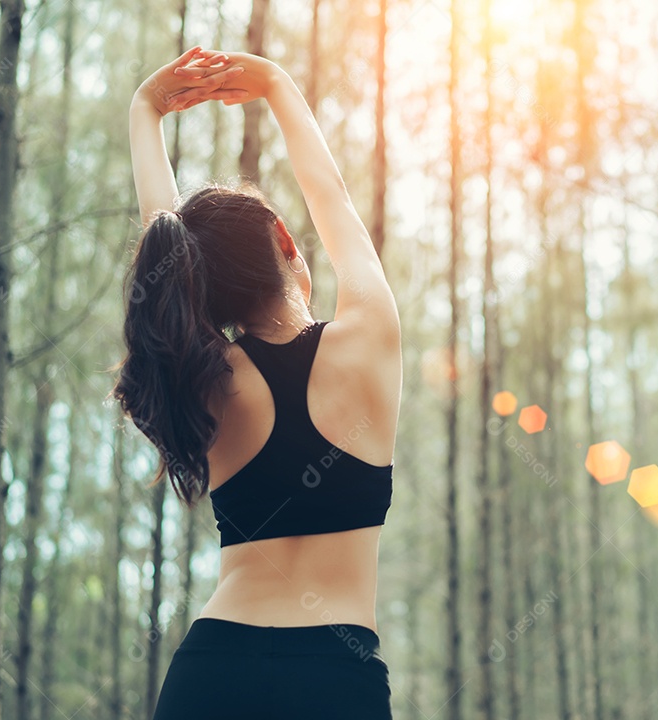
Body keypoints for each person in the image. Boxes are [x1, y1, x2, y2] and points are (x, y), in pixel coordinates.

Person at [111, 47, 401, 719]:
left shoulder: (206, 377)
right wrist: (275, 85)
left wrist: (145, 112)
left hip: (212, 673)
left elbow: (166, 244)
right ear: (287, 241)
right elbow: (330, 193)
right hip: (337, 678)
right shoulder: (371, 340)